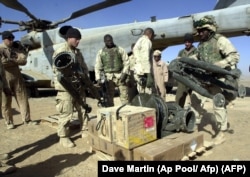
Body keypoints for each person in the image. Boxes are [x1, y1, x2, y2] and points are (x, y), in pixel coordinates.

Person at [192, 15, 240, 145]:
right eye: (199, 31)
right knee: (195, 100)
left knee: (218, 105)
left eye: (202, 30)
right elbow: (196, 57)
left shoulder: (220, 40)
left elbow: (234, 56)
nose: (200, 33)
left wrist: (218, 65)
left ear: (210, 29)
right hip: (203, 79)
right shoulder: (201, 44)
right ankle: (195, 126)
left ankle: (221, 133)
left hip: (217, 80)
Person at [52, 28, 90, 148]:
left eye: (79, 39)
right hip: (66, 88)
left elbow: (84, 67)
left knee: (83, 109)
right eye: (76, 39)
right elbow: (57, 70)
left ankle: (85, 130)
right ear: (69, 38)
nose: (78, 41)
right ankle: (63, 137)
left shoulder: (78, 52)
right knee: (66, 112)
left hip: (78, 86)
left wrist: (86, 80)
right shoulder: (61, 51)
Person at [0, 31, 38, 130]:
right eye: (9, 39)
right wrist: (14, 60)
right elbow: (3, 63)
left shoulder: (15, 49)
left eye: (12, 38)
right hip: (5, 78)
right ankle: (9, 122)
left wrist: (11, 60)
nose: (11, 41)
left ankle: (27, 120)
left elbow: (23, 60)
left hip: (18, 78)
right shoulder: (0, 49)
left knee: (23, 99)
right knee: (6, 102)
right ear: (4, 39)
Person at [95, 34, 130, 107]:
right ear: (104, 41)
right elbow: (98, 66)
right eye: (107, 41)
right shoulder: (101, 52)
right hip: (108, 77)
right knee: (108, 98)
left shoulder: (120, 49)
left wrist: (124, 73)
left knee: (124, 97)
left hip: (120, 75)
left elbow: (126, 62)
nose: (110, 42)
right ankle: (111, 114)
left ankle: (126, 112)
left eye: (111, 40)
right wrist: (98, 79)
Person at [175, 33, 198, 108]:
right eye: (185, 42)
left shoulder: (197, 51)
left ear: (192, 42)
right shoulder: (181, 52)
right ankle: (179, 112)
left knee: (195, 99)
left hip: (194, 78)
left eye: (189, 42)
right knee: (179, 97)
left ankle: (194, 115)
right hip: (183, 77)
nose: (187, 44)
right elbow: (177, 63)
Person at [133, 27, 155, 94]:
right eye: (153, 36)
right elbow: (145, 57)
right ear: (150, 34)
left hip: (139, 71)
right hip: (144, 72)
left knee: (141, 92)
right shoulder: (146, 41)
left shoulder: (140, 40)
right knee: (147, 93)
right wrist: (149, 74)